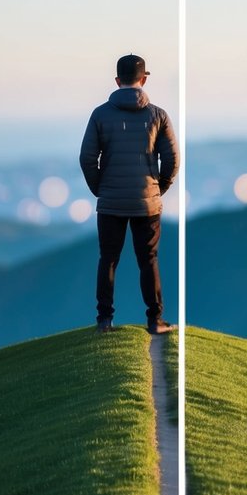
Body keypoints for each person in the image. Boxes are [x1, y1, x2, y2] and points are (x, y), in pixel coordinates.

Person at [79, 53, 178, 334]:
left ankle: (104, 320)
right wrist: (158, 189)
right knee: (148, 260)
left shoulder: (99, 114)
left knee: (108, 259)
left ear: (117, 80)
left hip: (110, 202)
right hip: (147, 203)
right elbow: (172, 160)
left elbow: (87, 158)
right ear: (144, 79)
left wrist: (101, 189)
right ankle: (155, 320)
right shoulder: (158, 115)